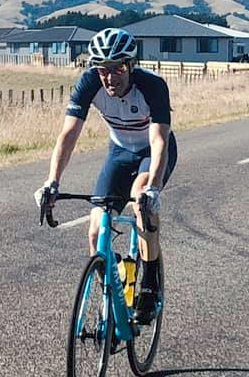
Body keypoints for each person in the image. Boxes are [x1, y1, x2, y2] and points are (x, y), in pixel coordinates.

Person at [35, 27, 177, 324]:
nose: (110, 77)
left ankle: (149, 285)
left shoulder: (152, 86)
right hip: (119, 151)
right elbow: (68, 135)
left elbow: (160, 141)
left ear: (131, 65)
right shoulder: (89, 83)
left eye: (118, 68)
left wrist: (152, 188)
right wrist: (52, 181)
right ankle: (111, 303)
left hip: (151, 152)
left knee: (140, 202)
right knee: (96, 229)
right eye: (103, 69)